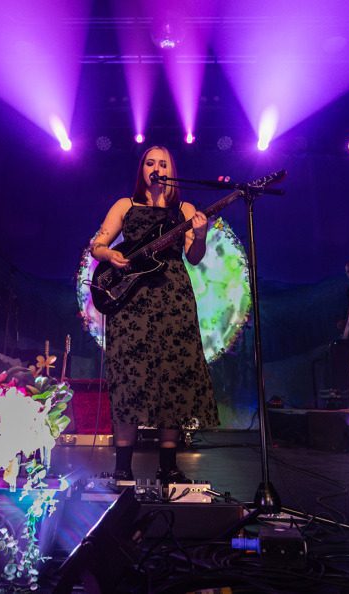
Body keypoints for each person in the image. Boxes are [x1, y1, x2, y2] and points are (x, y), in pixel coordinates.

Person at [90, 146, 219, 483]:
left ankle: (168, 466)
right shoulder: (125, 205)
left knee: (173, 375)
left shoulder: (184, 209)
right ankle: (122, 467)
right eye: (150, 163)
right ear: (142, 170)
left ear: (172, 171)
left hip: (173, 298)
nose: (156, 168)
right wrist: (110, 255)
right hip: (131, 299)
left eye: (163, 163)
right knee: (130, 376)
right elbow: (97, 245)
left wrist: (201, 234)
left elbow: (194, 257)